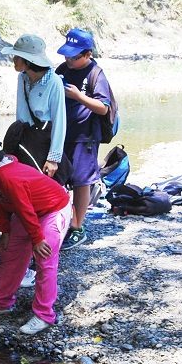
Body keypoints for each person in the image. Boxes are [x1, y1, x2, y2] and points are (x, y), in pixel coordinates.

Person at [0, 136, 72, 335]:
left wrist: (37, 239)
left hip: (53, 209)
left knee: (44, 256)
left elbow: (24, 207)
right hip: (27, 211)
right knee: (9, 253)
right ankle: (1, 303)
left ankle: (44, 315)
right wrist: (6, 232)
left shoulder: (9, 177)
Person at [55, 28, 112, 249]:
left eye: (74, 56)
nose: (68, 60)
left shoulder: (95, 74)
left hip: (85, 137)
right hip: (62, 134)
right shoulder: (62, 69)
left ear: (87, 54)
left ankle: (78, 228)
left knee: (81, 181)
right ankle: (60, 220)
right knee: (59, 178)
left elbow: (103, 108)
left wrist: (80, 96)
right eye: (66, 55)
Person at [2, 34, 67, 179]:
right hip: (25, 140)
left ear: (28, 61)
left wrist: (53, 159)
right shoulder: (22, 78)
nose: (14, 60)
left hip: (43, 143)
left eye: (17, 56)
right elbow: (21, 114)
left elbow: (59, 121)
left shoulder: (54, 82)